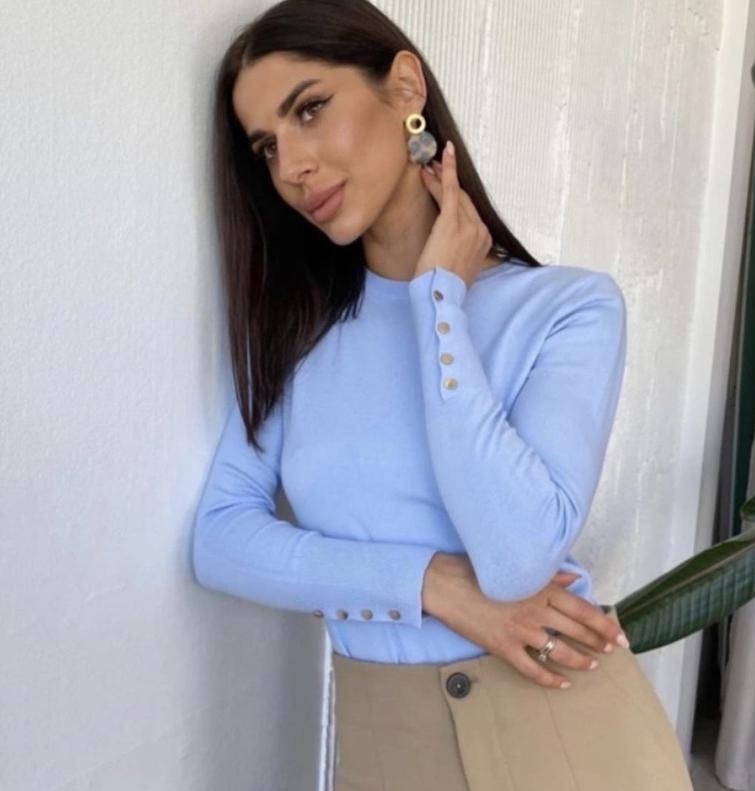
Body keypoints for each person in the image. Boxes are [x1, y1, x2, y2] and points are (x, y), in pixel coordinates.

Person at [191, 0, 694, 788]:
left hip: (565, 731)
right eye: (267, 147)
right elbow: (220, 538)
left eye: (310, 110)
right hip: (384, 738)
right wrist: (428, 583)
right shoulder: (299, 341)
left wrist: (438, 305)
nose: (291, 167)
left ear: (404, 87)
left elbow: (518, 558)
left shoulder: (569, 309)